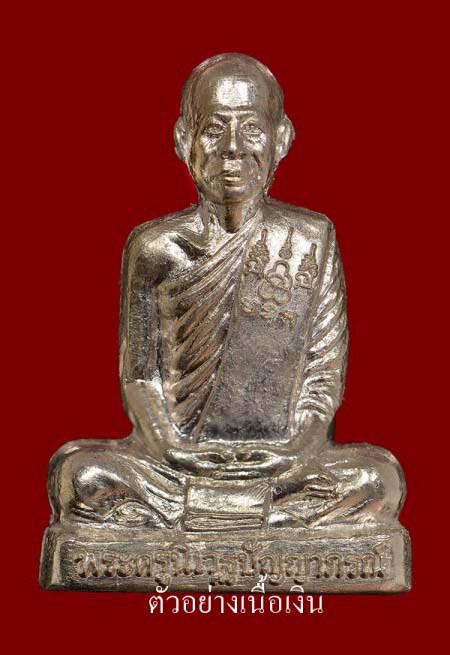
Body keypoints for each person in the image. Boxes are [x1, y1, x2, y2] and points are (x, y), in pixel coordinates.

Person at [47, 53, 405, 531]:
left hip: (281, 466)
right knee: (82, 477)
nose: (232, 148)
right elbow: (140, 378)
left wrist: (296, 451)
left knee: (378, 480)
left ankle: (204, 519)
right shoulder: (155, 248)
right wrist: (172, 449)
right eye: (214, 130)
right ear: (184, 140)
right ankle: (262, 521)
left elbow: (323, 376)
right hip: (177, 465)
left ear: (282, 139)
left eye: (251, 129)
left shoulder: (310, 239)